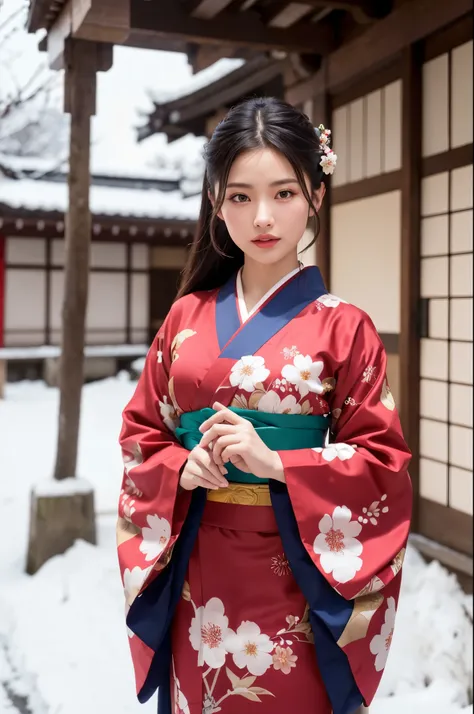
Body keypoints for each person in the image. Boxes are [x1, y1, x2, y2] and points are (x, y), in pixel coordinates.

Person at [117, 97, 412, 714]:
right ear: (218, 203)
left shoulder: (346, 328)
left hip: (297, 582)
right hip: (199, 576)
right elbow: (143, 434)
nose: (263, 217)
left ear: (316, 197)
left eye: (283, 193)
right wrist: (179, 467)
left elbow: (383, 463)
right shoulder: (185, 318)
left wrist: (281, 464)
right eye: (241, 197)